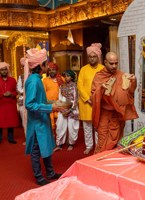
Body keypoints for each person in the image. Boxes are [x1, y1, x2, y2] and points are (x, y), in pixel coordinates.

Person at [24, 48, 64, 186]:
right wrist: (49, 107)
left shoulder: (37, 79)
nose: (48, 66)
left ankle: (50, 172)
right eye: (46, 64)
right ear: (41, 66)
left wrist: (52, 103)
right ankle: (39, 176)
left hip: (42, 120)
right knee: (36, 150)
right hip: (36, 123)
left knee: (46, 146)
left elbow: (39, 100)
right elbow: (29, 104)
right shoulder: (34, 81)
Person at [91, 52, 138, 154]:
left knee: (117, 141)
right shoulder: (99, 76)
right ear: (105, 62)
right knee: (102, 142)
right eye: (111, 63)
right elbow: (93, 96)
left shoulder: (121, 75)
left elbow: (130, 92)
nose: (114, 66)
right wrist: (101, 89)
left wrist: (134, 81)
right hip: (104, 115)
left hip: (118, 115)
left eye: (116, 63)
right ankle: (99, 165)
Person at [77, 43, 104, 154]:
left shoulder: (103, 69)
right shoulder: (83, 69)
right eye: (90, 57)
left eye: (94, 56)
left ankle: (98, 146)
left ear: (98, 57)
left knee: (98, 126)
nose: (92, 59)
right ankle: (89, 146)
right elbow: (80, 85)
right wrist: (88, 99)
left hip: (100, 102)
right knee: (87, 126)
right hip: (86, 103)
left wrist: (99, 99)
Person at [55, 70, 79, 151]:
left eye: (68, 76)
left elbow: (76, 100)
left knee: (72, 127)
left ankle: (71, 143)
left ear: (72, 77)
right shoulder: (61, 86)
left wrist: (70, 110)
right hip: (62, 108)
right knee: (60, 126)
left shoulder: (74, 86)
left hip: (72, 109)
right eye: (65, 76)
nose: (66, 77)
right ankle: (60, 143)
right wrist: (62, 109)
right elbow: (60, 98)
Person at [0, 62, 20, 144]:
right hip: (1, 104)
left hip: (10, 104)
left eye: (5, 69)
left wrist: (11, 94)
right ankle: (0, 138)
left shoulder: (13, 80)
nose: (4, 71)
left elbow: (16, 92)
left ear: (7, 70)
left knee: (11, 121)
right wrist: (3, 94)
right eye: (2, 70)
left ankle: (10, 138)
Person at [43, 62, 64, 133]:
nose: (51, 71)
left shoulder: (61, 79)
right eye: (50, 70)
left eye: (53, 69)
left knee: (60, 125)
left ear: (56, 70)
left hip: (60, 105)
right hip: (49, 105)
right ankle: (51, 141)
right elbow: (43, 94)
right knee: (50, 126)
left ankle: (59, 141)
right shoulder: (45, 80)